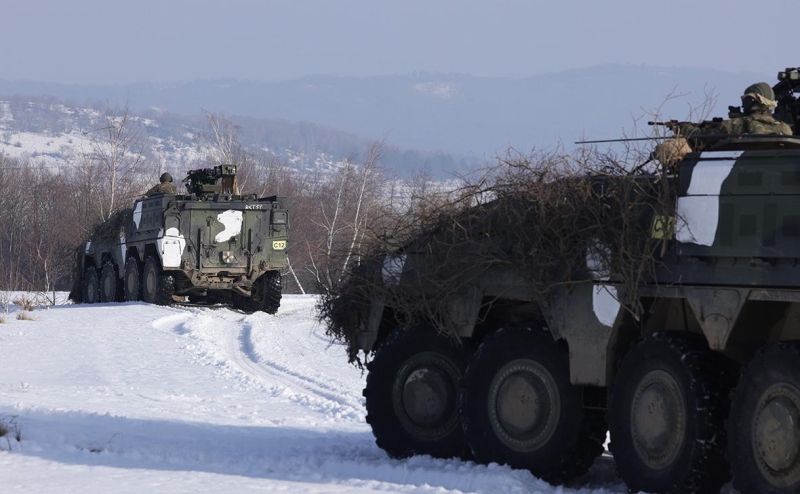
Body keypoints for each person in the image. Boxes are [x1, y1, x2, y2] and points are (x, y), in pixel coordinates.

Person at [654, 82, 794, 167]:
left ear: (753, 102)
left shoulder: (736, 125)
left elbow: (699, 136)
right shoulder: (785, 129)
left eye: (745, 100)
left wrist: (682, 127)